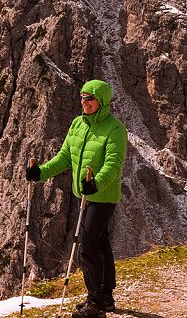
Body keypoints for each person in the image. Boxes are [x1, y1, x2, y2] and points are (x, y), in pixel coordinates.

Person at [25, 79, 128, 318]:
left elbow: (114, 164)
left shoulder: (115, 129)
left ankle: (95, 304)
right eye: (82, 97)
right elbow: (64, 158)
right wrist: (40, 173)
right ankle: (105, 297)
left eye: (90, 98)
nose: (85, 102)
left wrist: (95, 184)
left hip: (103, 196)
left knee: (88, 247)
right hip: (85, 194)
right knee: (100, 243)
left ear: (102, 101)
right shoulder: (77, 124)